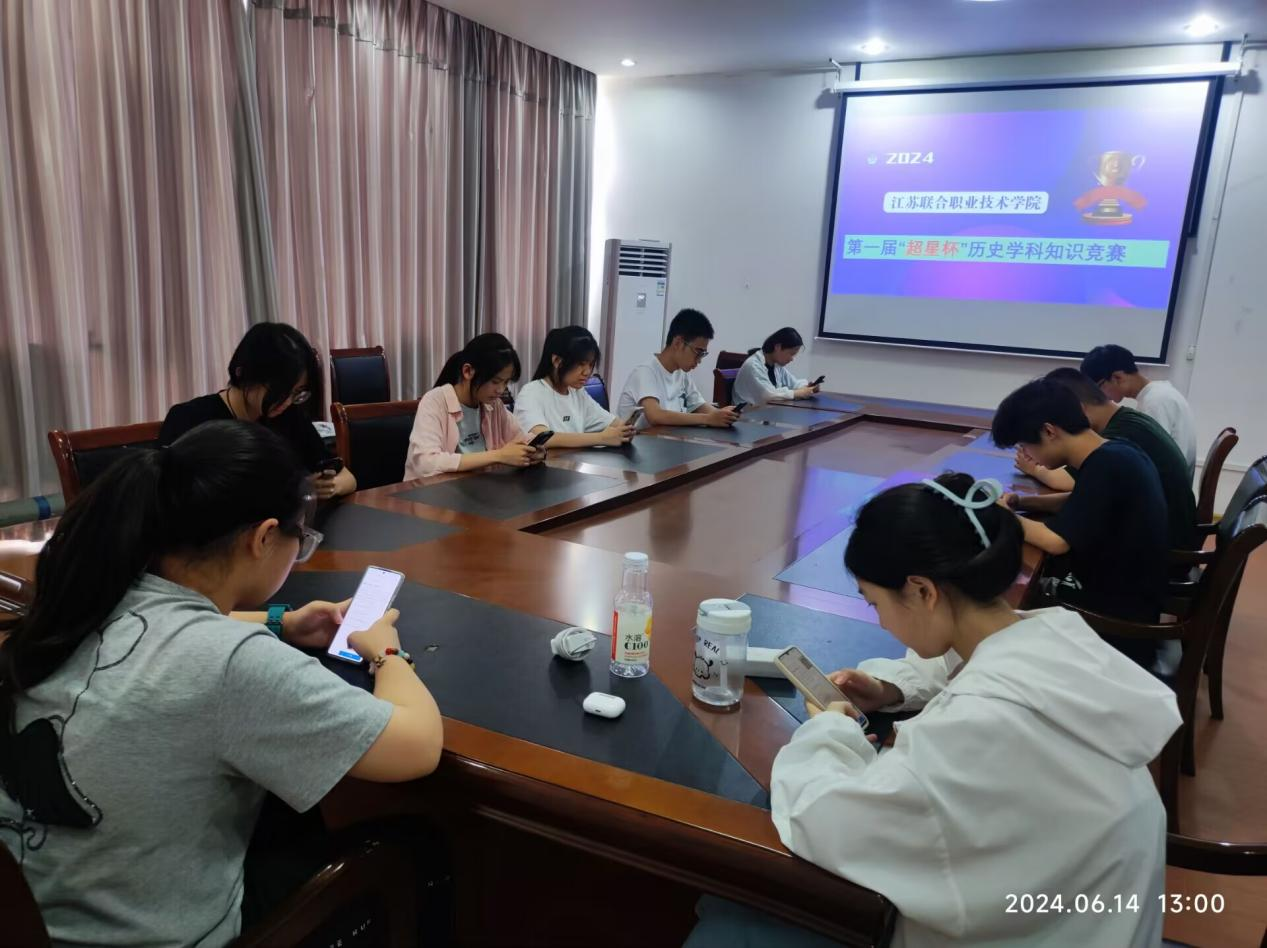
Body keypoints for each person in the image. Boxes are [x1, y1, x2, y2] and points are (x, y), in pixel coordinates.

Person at [0, 421, 443, 947]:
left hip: (39, 915)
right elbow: (417, 747)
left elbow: (172, 632)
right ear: (263, 537)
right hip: (156, 935)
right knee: (417, 844)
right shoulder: (233, 663)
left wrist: (282, 622)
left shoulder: (86, 597)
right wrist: (385, 651)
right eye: (300, 540)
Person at [747, 473, 1179, 948]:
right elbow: (971, 666)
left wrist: (830, 731)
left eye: (875, 604)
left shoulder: (968, 732)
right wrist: (891, 688)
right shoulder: (1061, 640)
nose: (881, 621)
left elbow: (826, 823)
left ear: (921, 591)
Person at [991, 378, 1168, 668]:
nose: (1028, 455)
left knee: (1002, 600)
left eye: (1026, 445)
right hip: (1131, 597)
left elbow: (1056, 542)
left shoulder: (1106, 466)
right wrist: (1023, 502)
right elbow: (1080, 499)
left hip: (1114, 623)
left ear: (1049, 432)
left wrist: (1002, 516)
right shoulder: (1116, 450)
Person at [160, 322, 357, 500]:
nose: (287, 401)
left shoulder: (289, 416)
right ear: (243, 373)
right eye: (279, 390)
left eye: (297, 393)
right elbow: (164, 499)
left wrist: (330, 486)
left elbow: (347, 477)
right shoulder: (190, 419)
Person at [1028, 367, 1197, 553]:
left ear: (1077, 409)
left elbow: (1064, 485)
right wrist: (1026, 502)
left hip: (1167, 550)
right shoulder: (1127, 420)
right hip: (1168, 535)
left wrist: (1034, 470)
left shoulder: (1115, 441)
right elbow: (1084, 498)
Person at [404, 333, 543, 480]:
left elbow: (520, 438)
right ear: (468, 371)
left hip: (481, 487)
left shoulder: (494, 405)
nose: (501, 390)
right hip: (436, 489)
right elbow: (426, 463)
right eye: (495, 381)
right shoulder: (435, 401)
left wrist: (535, 451)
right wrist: (498, 456)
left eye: (506, 382)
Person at [1080, 344, 1197, 475]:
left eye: (1098, 388)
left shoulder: (1156, 402)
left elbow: (1150, 459)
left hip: (1167, 484)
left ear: (1117, 377)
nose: (1100, 397)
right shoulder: (1159, 393)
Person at [514, 326, 636, 449]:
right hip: (548, 461)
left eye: (591, 365)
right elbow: (541, 438)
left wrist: (625, 431)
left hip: (575, 460)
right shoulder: (531, 393)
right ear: (557, 361)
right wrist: (602, 438)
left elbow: (614, 424)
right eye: (581, 364)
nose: (587, 372)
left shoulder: (577, 393)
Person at [616, 308, 738, 430]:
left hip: (667, 438)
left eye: (703, 354)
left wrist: (723, 415)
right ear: (678, 343)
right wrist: (708, 419)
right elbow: (655, 416)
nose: (699, 360)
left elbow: (700, 406)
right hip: (639, 440)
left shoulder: (681, 373)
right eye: (698, 352)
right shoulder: (645, 372)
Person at [731, 327, 819, 407]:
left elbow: (793, 384)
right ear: (778, 347)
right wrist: (796, 393)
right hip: (745, 416)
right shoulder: (753, 366)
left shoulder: (777, 366)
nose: (792, 359)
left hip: (766, 413)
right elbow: (767, 396)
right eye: (791, 354)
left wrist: (809, 387)